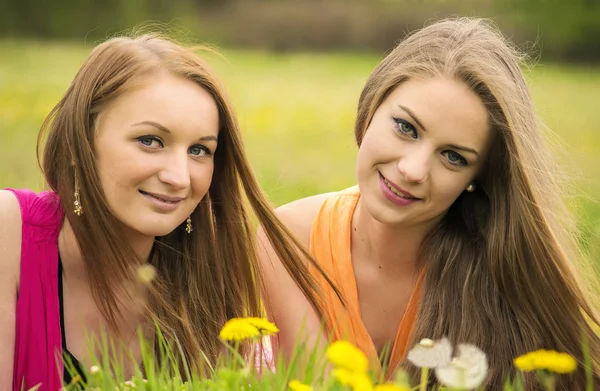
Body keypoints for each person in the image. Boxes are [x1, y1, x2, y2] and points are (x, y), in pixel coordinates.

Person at [258, 17, 600, 389]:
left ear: (479, 179)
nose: (413, 169)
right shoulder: (287, 239)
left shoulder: (502, 268)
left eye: (453, 157)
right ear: (372, 106)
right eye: (406, 128)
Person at [0, 33, 332, 391]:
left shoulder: (210, 277)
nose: (179, 177)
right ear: (78, 143)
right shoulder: (11, 231)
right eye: (150, 141)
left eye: (200, 150)